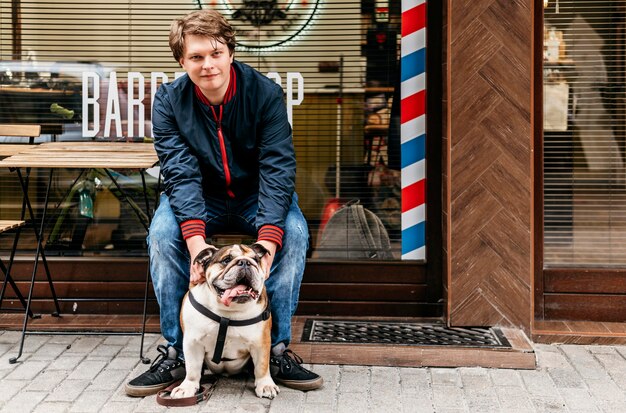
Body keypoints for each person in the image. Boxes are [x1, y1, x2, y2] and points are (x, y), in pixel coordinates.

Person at [125, 9, 323, 396]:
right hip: (202, 196)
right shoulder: (168, 101)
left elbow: (278, 168)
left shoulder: (264, 93)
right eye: (196, 57)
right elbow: (180, 173)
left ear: (230, 52)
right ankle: (178, 350)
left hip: (256, 194)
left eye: (215, 53)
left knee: (295, 234)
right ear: (182, 61)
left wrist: (268, 239)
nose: (208, 64)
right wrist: (197, 243)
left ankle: (275, 348)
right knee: (163, 234)